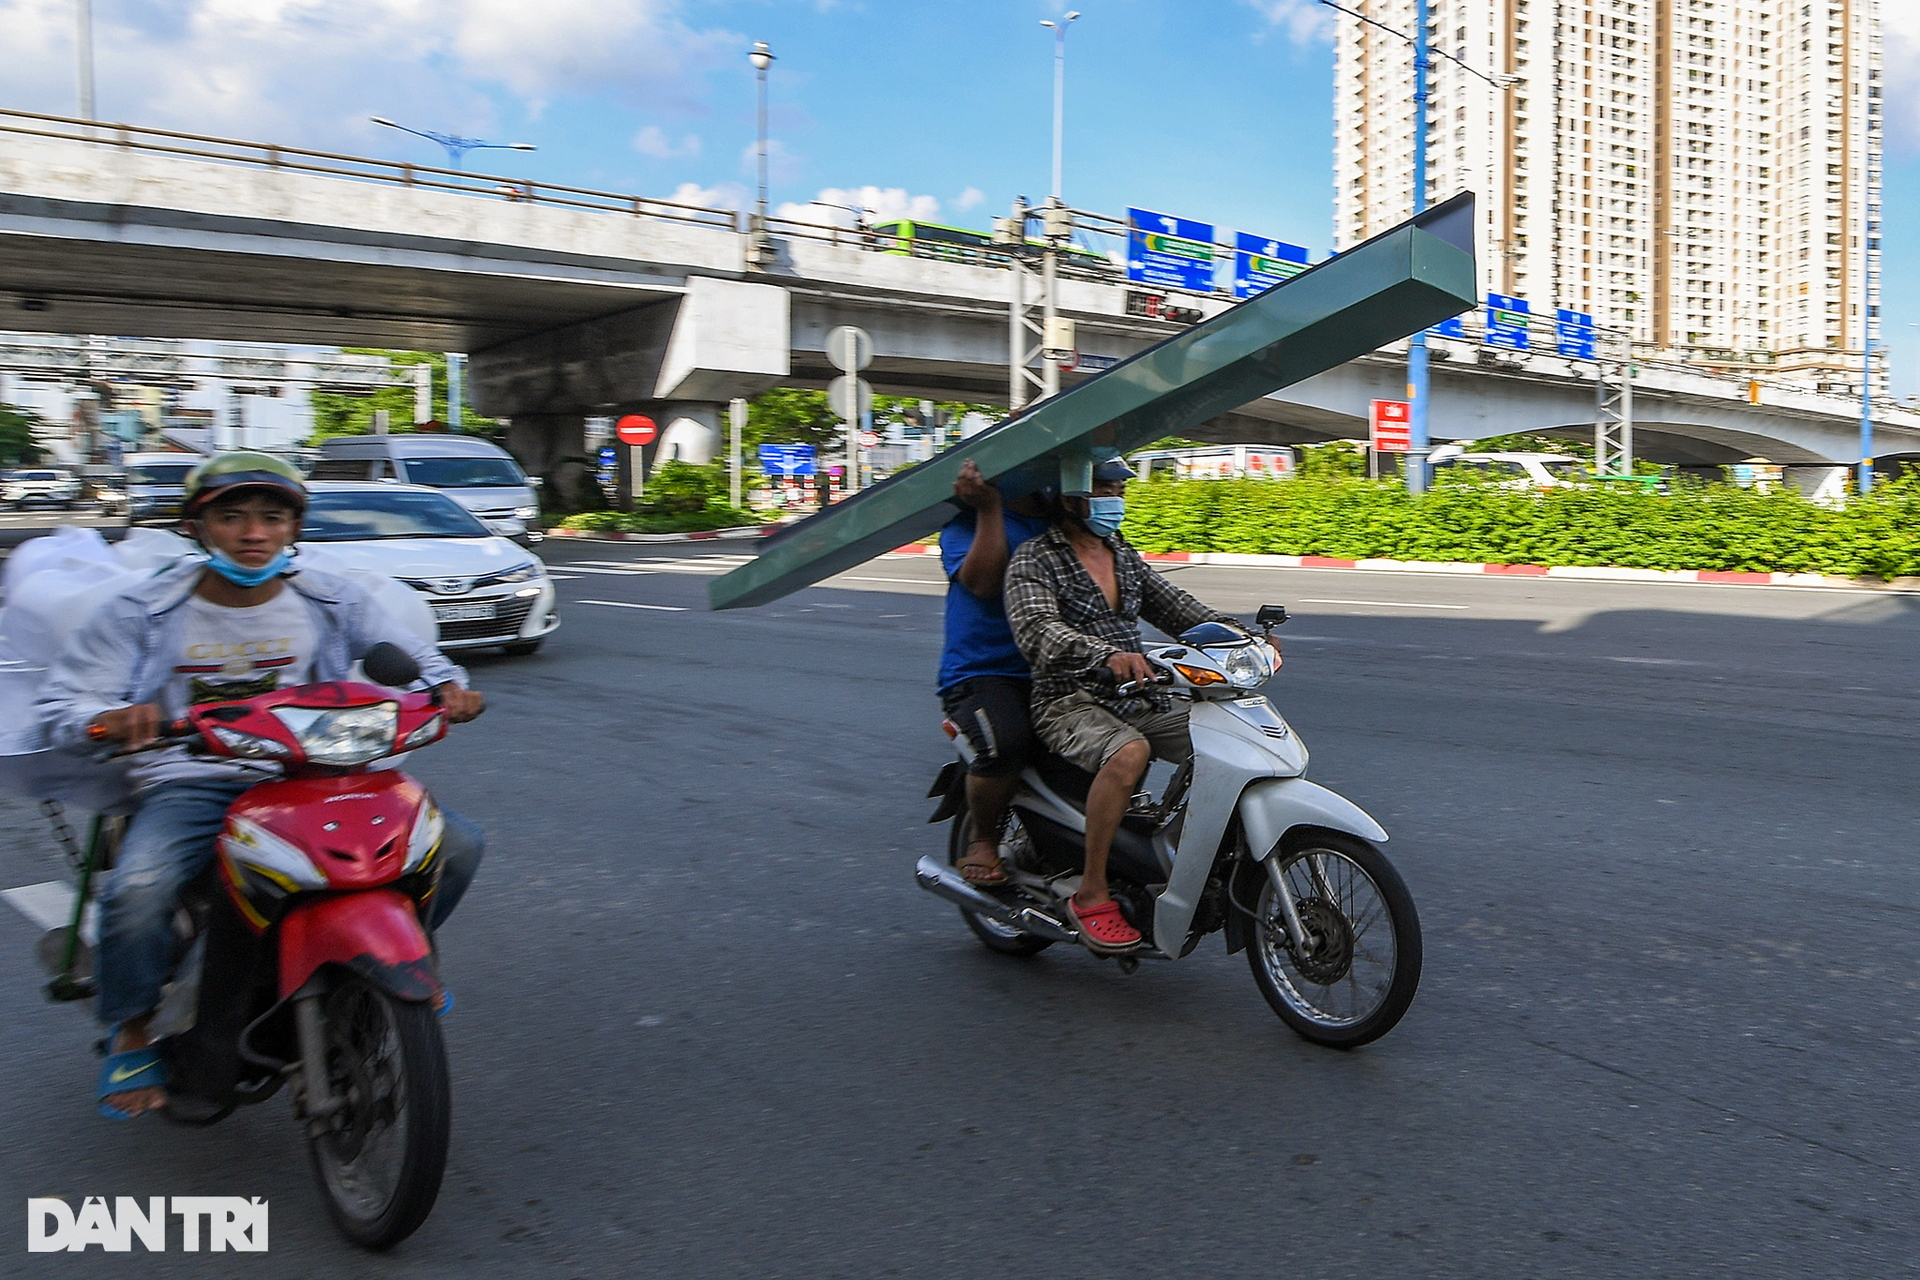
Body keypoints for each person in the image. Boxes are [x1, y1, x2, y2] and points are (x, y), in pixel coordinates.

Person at [37, 452, 488, 1121]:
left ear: (292, 529)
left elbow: (412, 652)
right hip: (196, 777)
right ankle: (131, 1029)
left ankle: (392, 959)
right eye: (232, 516)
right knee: (138, 890)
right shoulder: (143, 609)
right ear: (197, 527)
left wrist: (445, 687)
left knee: (456, 846)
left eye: (272, 517)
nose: (254, 533)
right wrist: (108, 718)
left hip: (317, 771)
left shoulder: (328, 597)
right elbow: (64, 706)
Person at [1003, 458, 1246, 952]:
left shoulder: (1121, 554)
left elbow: (1175, 606)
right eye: (1104, 490)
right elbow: (1038, 633)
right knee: (1129, 753)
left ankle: (1178, 856)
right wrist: (1105, 655)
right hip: (1066, 698)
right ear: (1070, 498)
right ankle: (1091, 892)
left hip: (1134, 695)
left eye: (1119, 489)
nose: (1116, 500)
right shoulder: (1035, 559)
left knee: (1228, 736)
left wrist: (1238, 636)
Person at [938, 460, 1053, 886]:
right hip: (984, 672)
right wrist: (990, 509)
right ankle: (983, 840)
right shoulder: (966, 522)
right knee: (1005, 740)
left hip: (1055, 669)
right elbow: (984, 583)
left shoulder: (1065, 519)